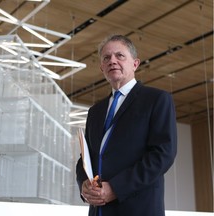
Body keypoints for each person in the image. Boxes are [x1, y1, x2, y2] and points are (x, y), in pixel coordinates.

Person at [76, 34, 177, 216]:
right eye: (106, 58)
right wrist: (83, 184)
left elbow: (162, 154)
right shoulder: (95, 112)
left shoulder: (156, 100)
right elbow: (86, 158)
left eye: (119, 56)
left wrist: (115, 188)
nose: (112, 61)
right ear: (102, 68)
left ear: (135, 64)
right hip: (98, 210)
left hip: (138, 208)